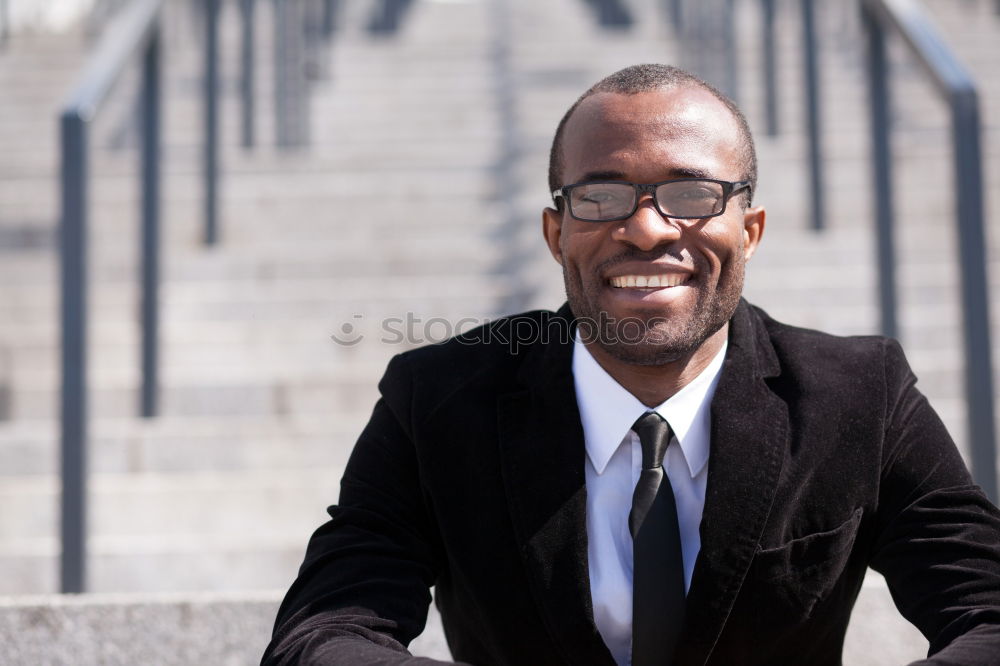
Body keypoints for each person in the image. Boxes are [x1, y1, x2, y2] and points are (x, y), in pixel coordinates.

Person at [261, 64, 1000, 665]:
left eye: (691, 194)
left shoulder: (860, 395)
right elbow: (322, 635)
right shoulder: (437, 400)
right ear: (556, 234)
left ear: (751, 229)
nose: (646, 229)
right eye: (602, 196)